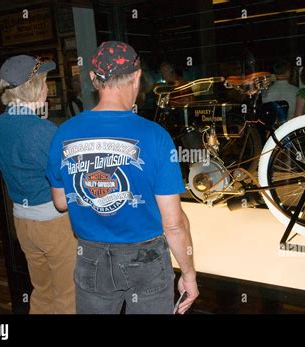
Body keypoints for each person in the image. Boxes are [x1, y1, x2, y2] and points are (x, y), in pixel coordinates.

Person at [46, 41, 199, 314]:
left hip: (90, 256)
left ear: (94, 79)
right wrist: (189, 274)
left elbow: (60, 202)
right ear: (138, 76)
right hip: (146, 258)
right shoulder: (156, 136)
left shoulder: (64, 132)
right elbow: (173, 224)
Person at [0, 55, 77, 314]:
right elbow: (67, 178)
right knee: (67, 296)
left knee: (42, 292)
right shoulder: (43, 130)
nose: (47, 89)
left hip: (23, 222)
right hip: (53, 223)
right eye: (44, 82)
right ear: (34, 88)